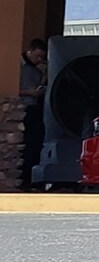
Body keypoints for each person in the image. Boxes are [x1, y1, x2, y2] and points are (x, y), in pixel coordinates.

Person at [19, 38, 47, 187]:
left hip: (34, 108)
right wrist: (28, 92)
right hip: (21, 108)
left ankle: (30, 179)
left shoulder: (38, 69)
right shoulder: (17, 66)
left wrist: (44, 76)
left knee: (36, 143)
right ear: (29, 51)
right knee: (25, 144)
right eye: (37, 56)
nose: (39, 60)